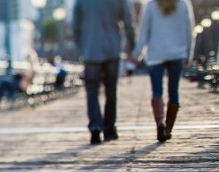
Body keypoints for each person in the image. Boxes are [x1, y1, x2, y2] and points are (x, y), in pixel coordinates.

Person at [130, 0, 195, 143]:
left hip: (156, 55)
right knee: (174, 91)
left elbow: (143, 34)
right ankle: (168, 129)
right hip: (177, 54)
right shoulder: (183, 4)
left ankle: (160, 123)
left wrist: (136, 56)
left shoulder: (150, 6)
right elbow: (189, 31)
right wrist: (189, 54)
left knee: (157, 92)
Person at [73, 0, 136, 145]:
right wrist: (132, 44)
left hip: (90, 49)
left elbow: (75, 25)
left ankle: (95, 126)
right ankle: (109, 129)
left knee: (91, 91)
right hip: (112, 49)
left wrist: (81, 47)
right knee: (111, 90)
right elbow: (128, 22)